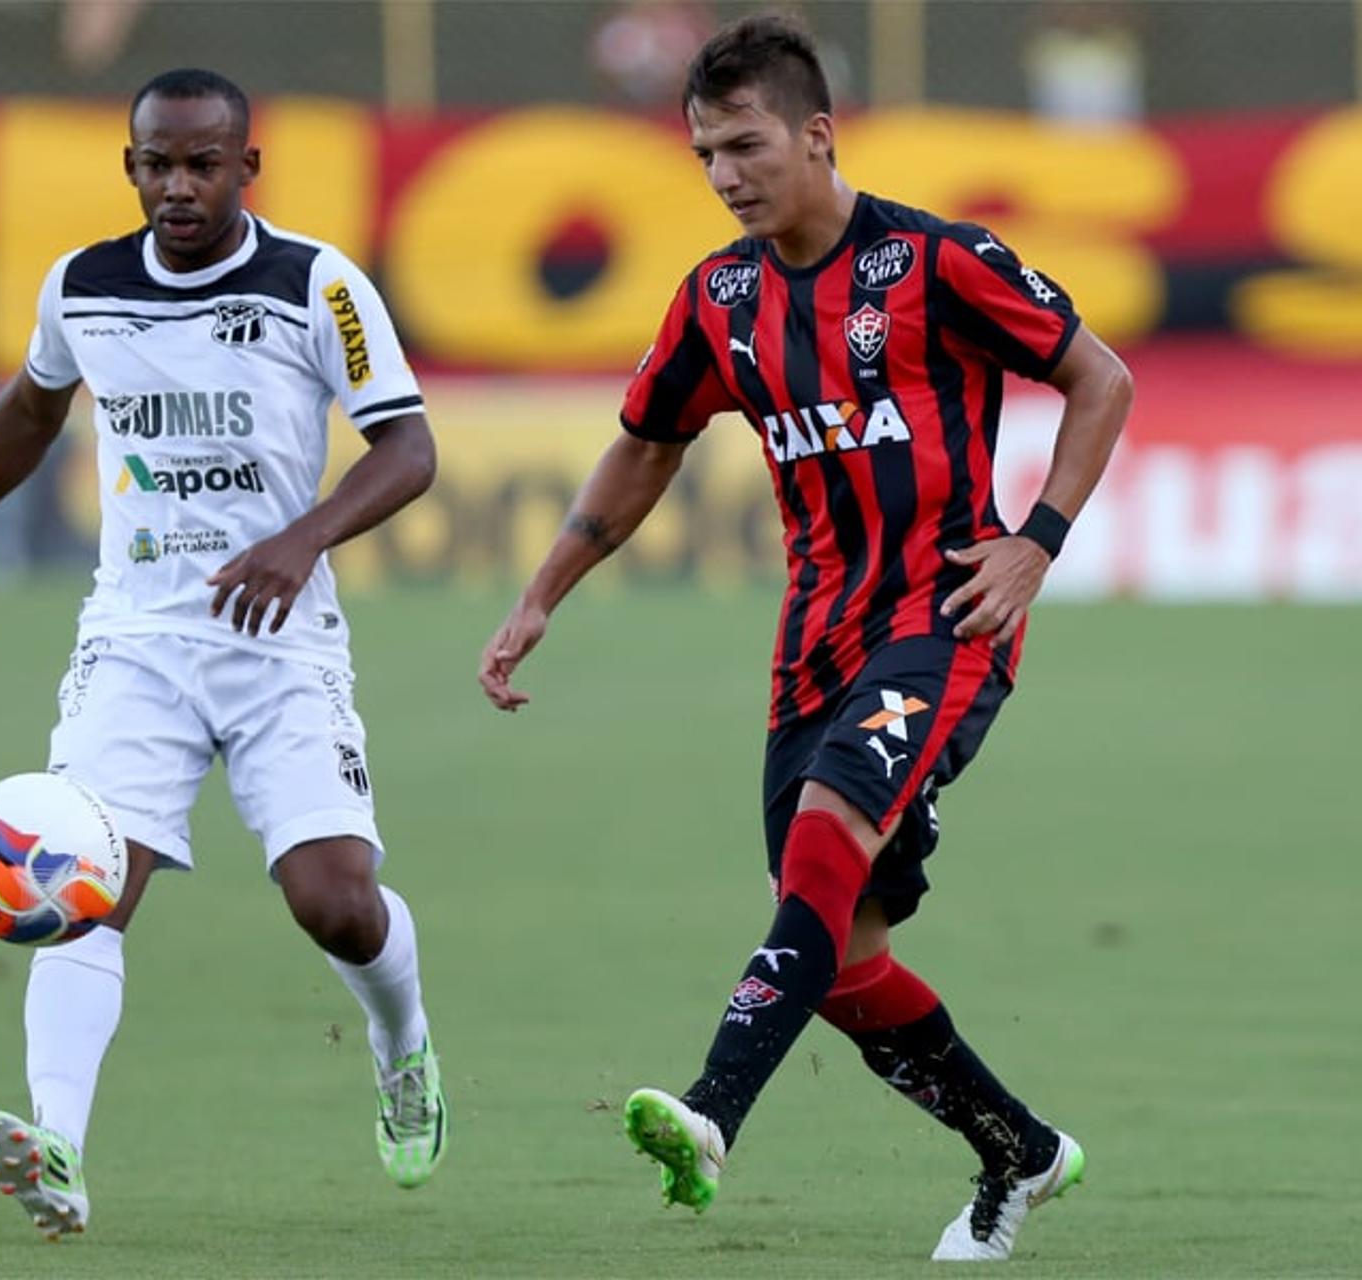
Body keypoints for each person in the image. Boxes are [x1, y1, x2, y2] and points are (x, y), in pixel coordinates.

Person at [479, 15, 1132, 1264]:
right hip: (813, 648)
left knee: (829, 839)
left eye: (744, 145)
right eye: (705, 154)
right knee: (837, 957)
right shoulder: (719, 300)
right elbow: (647, 444)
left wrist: (1036, 539)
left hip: (943, 620)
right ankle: (1022, 1152)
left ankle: (712, 1108)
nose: (725, 175)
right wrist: (543, 592)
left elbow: (1102, 377)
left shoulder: (939, 262)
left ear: (816, 134)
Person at [0, 67, 445, 1241]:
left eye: (204, 163)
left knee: (336, 904)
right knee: (85, 890)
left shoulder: (317, 284)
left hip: (279, 639)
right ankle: (59, 1148)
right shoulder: (83, 288)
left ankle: (401, 1039)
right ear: (132, 165)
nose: (178, 185)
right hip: (136, 641)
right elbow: (31, 412)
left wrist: (303, 540)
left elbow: (408, 448)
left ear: (248, 168)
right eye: (158, 163)